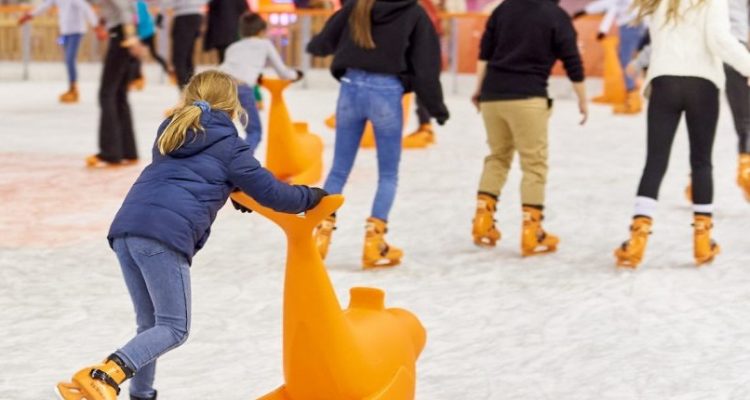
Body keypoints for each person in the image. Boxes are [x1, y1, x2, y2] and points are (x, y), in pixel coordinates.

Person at [55, 70, 327, 400]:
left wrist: (231, 187)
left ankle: (141, 394)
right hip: (164, 236)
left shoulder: (171, 131)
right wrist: (312, 197)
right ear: (233, 105)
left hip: (128, 228)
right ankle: (105, 375)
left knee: (151, 324)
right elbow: (274, 194)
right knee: (174, 327)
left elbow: (189, 173)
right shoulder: (230, 147)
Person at [307, 0, 449, 268]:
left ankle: (320, 234)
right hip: (386, 92)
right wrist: (436, 108)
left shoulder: (359, 5)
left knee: (338, 169)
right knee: (388, 174)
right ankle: (375, 243)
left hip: (350, 87)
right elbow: (426, 65)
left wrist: (322, 45)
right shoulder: (414, 12)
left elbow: (322, 42)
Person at [614, 0, 750, 268]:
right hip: (702, 84)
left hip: (664, 83)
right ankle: (702, 240)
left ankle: (637, 238)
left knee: (655, 162)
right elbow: (720, 40)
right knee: (701, 162)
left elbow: (657, 42)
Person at [470, 0, 588, 256]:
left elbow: (484, 54)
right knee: (534, 164)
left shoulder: (503, 9)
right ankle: (532, 230)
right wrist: (583, 99)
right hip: (528, 98)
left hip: (492, 96)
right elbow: (572, 62)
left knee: (497, 158)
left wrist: (479, 90)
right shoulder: (556, 16)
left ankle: (482, 221)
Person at [627, 0, 750, 204]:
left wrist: (640, 61)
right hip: (730, 53)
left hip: (685, 67)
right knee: (744, 123)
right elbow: (721, 37)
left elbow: (669, 33)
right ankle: (745, 172)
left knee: (667, 155)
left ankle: (693, 188)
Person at [219, 12, 301, 153]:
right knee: (254, 132)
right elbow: (283, 73)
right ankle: (239, 162)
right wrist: (296, 75)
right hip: (242, 88)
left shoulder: (233, 47)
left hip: (219, 86)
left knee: (220, 132)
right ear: (262, 31)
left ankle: (217, 161)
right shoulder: (265, 44)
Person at [85, 0, 147, 167]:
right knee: (119, 94)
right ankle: (128, 151)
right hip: (124, 34)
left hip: (122, 37)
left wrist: (130, 36)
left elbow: (123, 8)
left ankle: (111, 152)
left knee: (107, 94)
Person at [18, 0, 100, 103]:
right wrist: (30, 15)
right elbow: (45, 5)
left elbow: (86, 9)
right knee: (67, 59)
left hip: (76, 32)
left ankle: (73, 90)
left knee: (70, 59)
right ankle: (71, 87)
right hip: (65, 32)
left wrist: (96, 25)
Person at [573, 0, 646, 114]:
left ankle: (633, 100)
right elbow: (610, 6)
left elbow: (608, 5)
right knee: (628, 60)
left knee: (626, 62)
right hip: (636, 26)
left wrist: (585, 12)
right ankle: (633, 96)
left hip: (630, 26)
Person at [403, 0, 444, 146]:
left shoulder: (421, 6)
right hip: (419, 46)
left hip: (421, 47)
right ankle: (425, 125)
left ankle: (425, 127)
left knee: (421, 85)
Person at [129, 0, 174, 91]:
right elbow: (147, 16)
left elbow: (139, 19)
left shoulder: (136, 4)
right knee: (152, 54)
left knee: (136, 56)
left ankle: (137, 79)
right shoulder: (141, 3)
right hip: (148, 31)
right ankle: (171, 73)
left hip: (142, 32)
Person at [165, 0, 207, 89]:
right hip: (196, 17)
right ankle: (190, 87)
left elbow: (167, 3)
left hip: (183, 17)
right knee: (188, 55)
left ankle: (185, 89)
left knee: (179, 57)